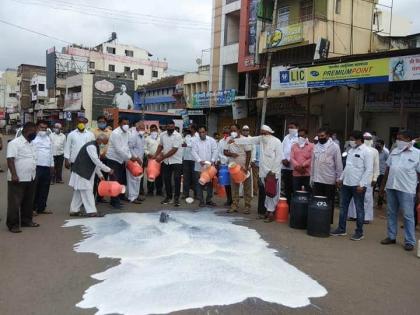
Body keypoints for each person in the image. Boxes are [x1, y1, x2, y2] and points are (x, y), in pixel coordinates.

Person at [379, 130, 420, 251]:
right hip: (392, 187)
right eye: (397, 138)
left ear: (408, 140)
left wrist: (419, 191)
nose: (398, 141)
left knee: (408, 216)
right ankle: (391, 236)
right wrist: (382, 187)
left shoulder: (417, 154)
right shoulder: (394, 152)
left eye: (400, 139)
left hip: (407, 189)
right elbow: (387, 170)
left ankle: (409, 241)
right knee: (391, 213)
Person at [232, 125, 282, 222]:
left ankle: (271, 213)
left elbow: (279, 157)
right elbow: (249, 140)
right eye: (261, 133)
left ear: (269, 133)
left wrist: (273, 171)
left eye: (264, 133)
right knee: (266, 193)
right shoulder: (261, 139)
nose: (262, 135)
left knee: (273, 193)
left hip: (273, 173)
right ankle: (267, 211)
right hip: (263, 172)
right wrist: (235, 141)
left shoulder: (277, 141)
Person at [331, 130, 373, 241]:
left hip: (358, 185)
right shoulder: (350, 151)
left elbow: (369, 170)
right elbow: (347, 167)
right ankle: (341, 229)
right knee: (343, 207)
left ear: (360, 139)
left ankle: (359, 232)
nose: (351, 141)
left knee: (359, 208)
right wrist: (340, 178)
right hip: (346, 183)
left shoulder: (366, 152)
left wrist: (362, 184)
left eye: (353, 139)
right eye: (351, 139)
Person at [69, 134, 113, 217]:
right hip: (82, 172)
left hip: (83, 172)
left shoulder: (95, 146)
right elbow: (96, 161)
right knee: (88, 191)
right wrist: (108, 169)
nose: (104, 145)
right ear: (99, 140)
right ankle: (91, 211)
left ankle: (74, 210)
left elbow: (94, 162)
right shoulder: (91, 147)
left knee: (78, 192)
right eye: (104, 142)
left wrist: (100, 174)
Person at [6, 122, 39, 233]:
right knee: (15, 203)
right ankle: (13, 224)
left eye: (35, 131)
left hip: (31, 177)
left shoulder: (32, 143)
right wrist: (14, 174)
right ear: (25, 131)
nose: (35, 133)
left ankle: (26, 221)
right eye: (33, 131)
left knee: (28, 201)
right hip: (18, 178)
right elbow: (10, 159)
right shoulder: (15, 143)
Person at [311, 128, 343, 223]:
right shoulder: (315, 146)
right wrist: (311, 178)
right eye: (319, 136)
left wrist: (338, 178)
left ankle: (327, 222)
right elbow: (313, 163)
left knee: (328, 202)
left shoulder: (334, 147)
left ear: (328, 136)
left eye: (322, 136)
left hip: (329, 179)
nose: (320, 138)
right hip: (317, 179)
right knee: (317, 202)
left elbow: (338, 163)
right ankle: (317, 221)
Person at [348, 132, 379, 223]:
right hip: (355, 177)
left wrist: (375, 178)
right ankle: (353, 215)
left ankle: (366, 217)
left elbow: (376, 166)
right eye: (365, 138)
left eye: (368, 138)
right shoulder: (354, 149)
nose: (367, 140)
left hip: (368, 178)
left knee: (367, 199)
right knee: (354, 198)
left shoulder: (374, 151)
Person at [106, 118, 135, 209]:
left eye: (127, 123)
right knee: (115, 180)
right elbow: (118, 149)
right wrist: (130, 157)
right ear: (119, 124)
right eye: (124, 123)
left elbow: (127, 147)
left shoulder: (127, 133)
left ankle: (120, 196)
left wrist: (129, 157)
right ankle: (114, 201)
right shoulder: (115, 133)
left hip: (122, 159)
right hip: (113, 159)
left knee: (122, 180)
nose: (126, 125)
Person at [153, 120, 183, 207]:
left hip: (176, 161)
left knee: (177, 179)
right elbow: (160, 146)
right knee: (166, 179)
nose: (171, 129)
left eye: (172, 127)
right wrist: (155, 155)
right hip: (166, 162)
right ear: (166, 127)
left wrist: (162, 157)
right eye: (169, 127)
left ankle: (176, 199)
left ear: (174, 127)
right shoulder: (162, 135)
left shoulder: (178, 136)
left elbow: (174, 150)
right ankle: (168, 197)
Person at [224, 124, 252, 214]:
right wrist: (231, 154)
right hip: (233, 168)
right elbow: (225, 152)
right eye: (231, 131)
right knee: (234, 188)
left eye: (234, 130)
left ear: (239, 130)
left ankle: (247, 206)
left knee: (247, 188)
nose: (233, 132)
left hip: (244, 167)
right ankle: (234, 205)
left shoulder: (245, 140)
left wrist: (246, 166)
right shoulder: (228, 139)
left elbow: (248, 153)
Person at [192, 126, 218, 207]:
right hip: (199, 166)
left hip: (209, 166)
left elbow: (215, 151)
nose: (201, 134)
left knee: (209, 184)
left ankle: (209, 200)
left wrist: (213, 160)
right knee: (199, 183)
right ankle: (201, 201)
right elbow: (193, 152)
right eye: (200, 132)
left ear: (206, 132)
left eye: (203, 132)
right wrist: (199, 160)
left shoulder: (211, 140)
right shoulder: (195, 141)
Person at [32, 120, 54, 215]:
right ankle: (32, 208)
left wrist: (52, 166)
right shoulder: (33, 138)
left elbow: (51, 153)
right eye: (41, 127)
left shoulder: (48, 138)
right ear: (37, 127)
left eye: (45, 128)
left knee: (45, 188)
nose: (43, 130)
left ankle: (42, 207)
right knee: (34, 189)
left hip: (46, 167)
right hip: (36, 166)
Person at [92, 116, 113, 203]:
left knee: (103, 178)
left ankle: (100, 197)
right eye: (100, 121)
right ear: (97, 123)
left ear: (106, 122)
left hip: (106, 157)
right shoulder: (93, 132)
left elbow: (111, 145)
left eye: (103, 121)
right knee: (94, 178)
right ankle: (92, 197)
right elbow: (92, 144)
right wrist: (98, 154)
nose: (101, 123)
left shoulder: (111, 132)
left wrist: (105, 153)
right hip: (95, 158)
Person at [127, 121, 146, 204]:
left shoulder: (142, 136)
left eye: (143, 128)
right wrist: (136, 157)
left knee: (138, 179)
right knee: (132, 179)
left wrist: (141, 159)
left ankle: (136, 195)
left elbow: (141, 148)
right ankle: (131, 197)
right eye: (141, 127)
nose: (143, 129)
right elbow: (129, 148)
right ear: (137, 127)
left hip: (140, 161)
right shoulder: (133, 136)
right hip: (133, 160)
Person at [290, 128, 314, 192]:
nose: (300, 137)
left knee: (308, 193)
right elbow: (292, 158)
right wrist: (298, 167)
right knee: (296, 193)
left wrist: (303, 166)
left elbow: (312, 158)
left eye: (302, 136)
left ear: (306, 136)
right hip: (296, 173)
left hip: (307, 173)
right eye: (299, 136)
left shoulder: (311, 146)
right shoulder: (294, 146)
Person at [282, 122, 299, 204]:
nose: (290, 129)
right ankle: (287, 206)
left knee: (294, 188)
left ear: (297, 128)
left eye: (292, 127)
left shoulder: (299, 138)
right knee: (287, 188)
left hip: (294, 168)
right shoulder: (286, 137)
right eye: (289, 127)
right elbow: (281, 149)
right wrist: (283, 159)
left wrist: (289, 160)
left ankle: (294, 207)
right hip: (285, 167)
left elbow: (300, 153)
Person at [145, 124, 163, 196]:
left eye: (155, 130)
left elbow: (163, 147)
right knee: (150, 175)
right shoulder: (147, 138)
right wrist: (148, 153)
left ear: (157, 130)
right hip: (151, 159)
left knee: (159, 176)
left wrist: (161, 155)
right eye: (152, 130)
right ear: (150, 130)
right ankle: (150, 191)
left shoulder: (161, 138)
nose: (153, 131)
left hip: (159, 160)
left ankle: (159, 191)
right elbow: (144, 148)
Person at [217, 127, 233, 206]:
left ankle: (234, 200)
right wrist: (224, 158)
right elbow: (219, 152)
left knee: (233, 183)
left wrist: (229, 158)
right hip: (224, 165)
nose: (226, 135)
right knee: (227, 183)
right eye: (224, 133)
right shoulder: (221, 141)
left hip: (233, 164)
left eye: (228, 133)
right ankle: (229, 199)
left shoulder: (233, 140)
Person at [182, 124, 198, 199]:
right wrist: (182, 157)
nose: (188, 129)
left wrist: (187, 145)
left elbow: (195, 146)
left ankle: (197, 194)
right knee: (186, 177)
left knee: (195, 177)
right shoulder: (187, 136)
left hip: (195, 159)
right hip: (186, 159)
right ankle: (185, 194)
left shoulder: (198, 136)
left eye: (190, 128)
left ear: (193, 129)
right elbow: (183, 146)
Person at [375, 139, 389, 207]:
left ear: (382, 145)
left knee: (381, 188)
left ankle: (380, 203)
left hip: (382, 173)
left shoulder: (386, 152)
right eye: (376, 143)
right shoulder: (375, 151)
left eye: (378, 144)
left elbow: (388, 163)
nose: (377, 145)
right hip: (375, 172)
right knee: (373, 187)